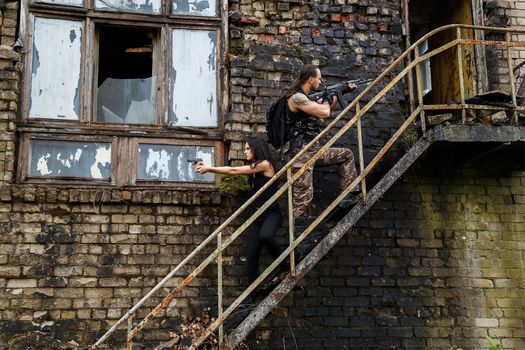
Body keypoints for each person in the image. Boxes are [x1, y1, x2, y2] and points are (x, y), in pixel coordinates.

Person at [194, 136, 283, 301]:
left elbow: (234, 171)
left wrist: (209, 169)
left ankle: (285, 264)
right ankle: (251, 297)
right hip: (256, 217)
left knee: (266, 236)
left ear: (256, 148)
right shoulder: (255, 169)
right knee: (251, 256)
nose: (245, 151)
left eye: (248, 148)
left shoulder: (265, 165)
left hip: (271, 214)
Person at [286, 64, 361, 231]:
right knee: (303, 200)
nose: (320, 81)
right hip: (301, 153)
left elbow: (326, 107)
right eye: (318, 78)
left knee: (346, 155)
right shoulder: (296, 98)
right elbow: (324, 112)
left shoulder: (308, 98)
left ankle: (349, 194)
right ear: (311, 79)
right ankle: (300, 245)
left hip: (314, 151)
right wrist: (328, 97)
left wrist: (342, 91)